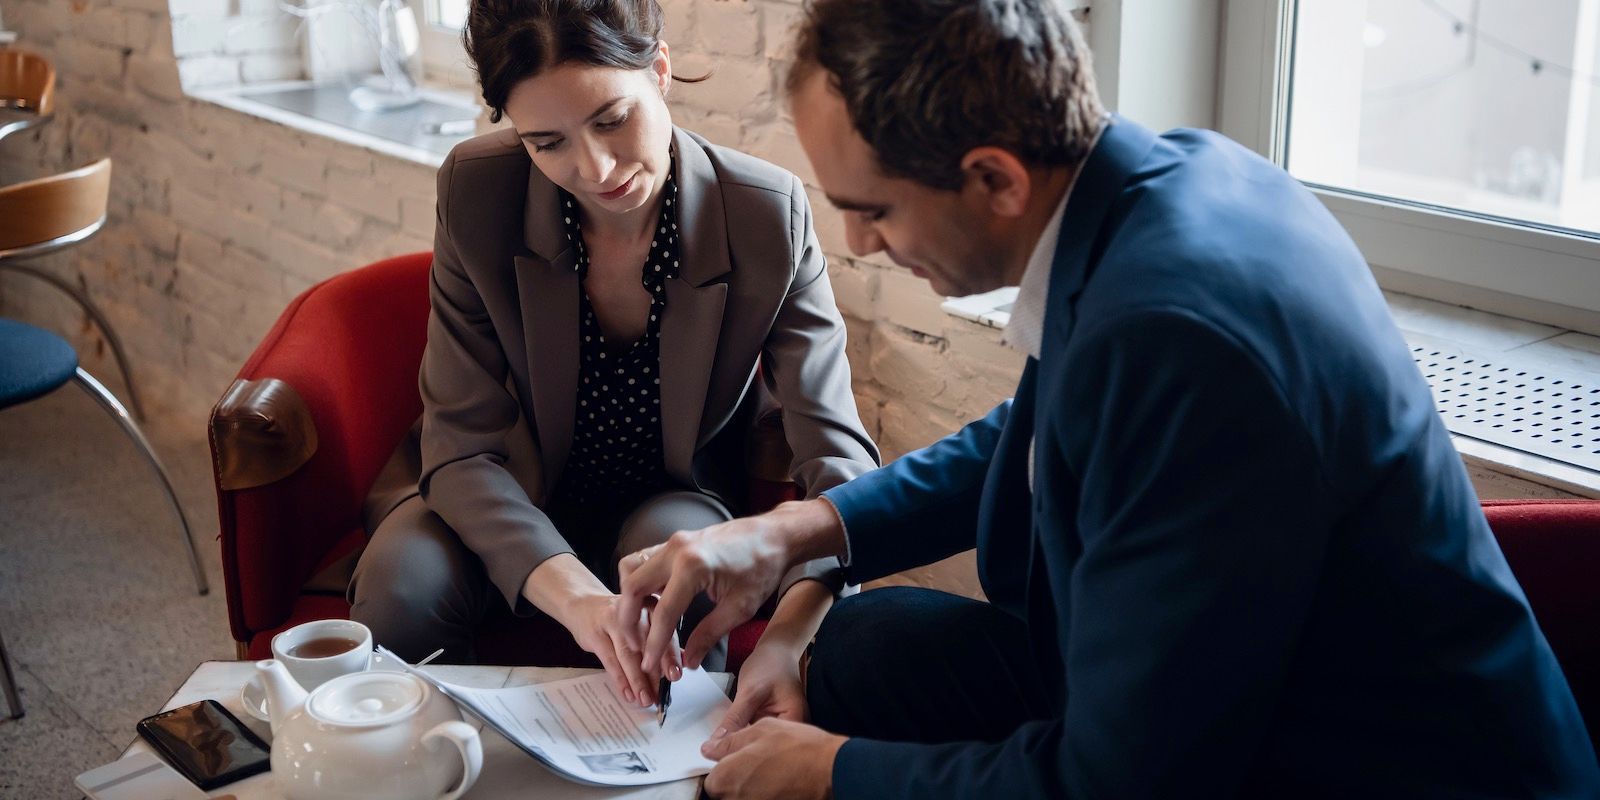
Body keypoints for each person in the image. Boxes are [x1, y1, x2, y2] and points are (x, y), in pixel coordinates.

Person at [616, 0, 1600, 796]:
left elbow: (1122, 780)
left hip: (1364, 762)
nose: (863, 244)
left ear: (992, 177)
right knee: (870, 639)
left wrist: (837, 771)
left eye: (870, 209)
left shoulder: (1176, 340)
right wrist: (793, 532)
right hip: (1231, 674)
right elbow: (1032, 434)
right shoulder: (1163, 185)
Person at [348, 0, 879, 714]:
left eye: (610, 119)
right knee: (399, 580)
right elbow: (461, 445)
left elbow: (841, 470)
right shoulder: (477, 191)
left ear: (659, 69)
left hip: (672, 500)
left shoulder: (765, 217)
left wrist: (788, 639)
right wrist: (578, 600)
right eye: (546, 141)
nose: (594, 167)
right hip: (502, 488)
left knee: (678, 583)